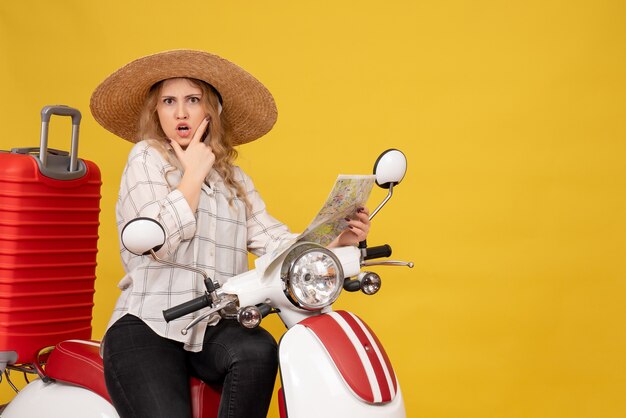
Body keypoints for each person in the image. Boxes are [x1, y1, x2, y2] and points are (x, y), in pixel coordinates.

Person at [89, 49, 371, 418]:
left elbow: (274, 241)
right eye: (168, 102)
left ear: (213, 111)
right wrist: (191, 176)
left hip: (213, 324)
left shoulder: (233, 178)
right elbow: (155, 239)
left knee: (259, 350)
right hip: (148, 324)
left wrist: (336, 241)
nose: (180, 113)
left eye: (193, 100)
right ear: (156, 112)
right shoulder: (146, 158)